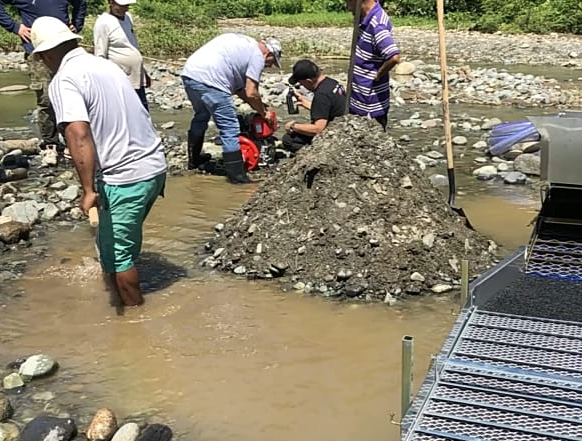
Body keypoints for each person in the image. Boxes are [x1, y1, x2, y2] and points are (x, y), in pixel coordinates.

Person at [30, 16, 167, 307]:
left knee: (120, 258)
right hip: (155, 168)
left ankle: (134, 325)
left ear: (44, 55)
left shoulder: (64, 80)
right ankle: (117, 287)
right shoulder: (105, 65)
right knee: (114, 244)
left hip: (125, 179)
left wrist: (88, 189)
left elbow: (78, 135)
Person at [0, 0, 86, 153]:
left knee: (75, 94)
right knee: (46, 99)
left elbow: (81, 3)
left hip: (66, 48)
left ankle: (75, 139)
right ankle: (51, 144)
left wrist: (76, 24)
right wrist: (15, 27)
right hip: (38, 52)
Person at [180, 33, 281, 184]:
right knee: (230, 128)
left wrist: (260, 105)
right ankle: (237, 177)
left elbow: (242, 91)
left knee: (201, 115)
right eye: (273, 61)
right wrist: (263, 113)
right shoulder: (257, 56)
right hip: (212, 80)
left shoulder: (244, 43)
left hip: (190, 75)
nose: (270, 65)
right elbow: (251, 92)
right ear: (269, 53)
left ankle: (194, 161)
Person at [346, 0, 400, 131]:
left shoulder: (377, 24)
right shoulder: (364, 17)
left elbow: (394, 57)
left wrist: (378, 75)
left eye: (348, 2)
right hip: (359, 97)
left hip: (370, 104)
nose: (348, 7)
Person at [93, 0, 149, 112]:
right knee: (127, 110)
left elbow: (132, 45)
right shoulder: (103, 23)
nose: (124, 9)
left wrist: (144, 72)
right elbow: (100, 54)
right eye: (121, 6)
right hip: (120, 77)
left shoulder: (128, 18)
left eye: (126, 6)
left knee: (142, 108)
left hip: (136, 74)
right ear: (111, 2)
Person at [282, 60, 346, 153]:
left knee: (289, 139)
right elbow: (327, 108)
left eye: (302, 83)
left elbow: (318, 129)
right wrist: (304, 102)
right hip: (343, 124)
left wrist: (293, 126)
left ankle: (316, 153)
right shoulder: (331, 83)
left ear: (308, 81)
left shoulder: (321, 94)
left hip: (334, 134)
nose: (303, 86)